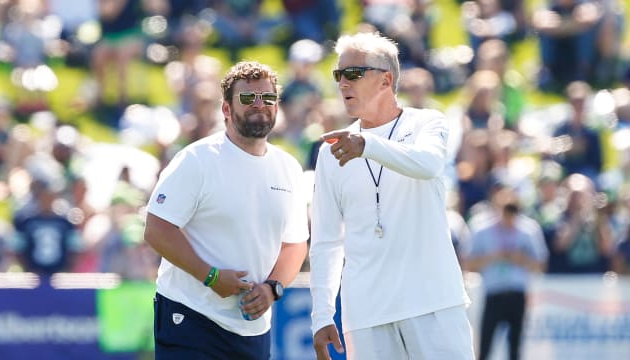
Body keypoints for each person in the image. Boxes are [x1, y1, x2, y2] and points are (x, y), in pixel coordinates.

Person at [310, 32, 474, 360]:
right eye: (338, 74)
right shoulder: (331, 149)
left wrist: (367, 145)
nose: (342, 83)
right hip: (366, 314)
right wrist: (322, 313)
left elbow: (428, 164)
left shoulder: (428, 122)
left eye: (353, 73)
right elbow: (327, 240)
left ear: (386, 80)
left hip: (433, 303)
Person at [143, 61, 309, 359]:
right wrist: (210, 277)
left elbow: (295, 244)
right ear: (227, 109)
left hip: (252, 327)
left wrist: (273, 288)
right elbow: (157, 229)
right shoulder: (198, 159)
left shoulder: (289, 167)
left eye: (268, 98)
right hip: (190, 315)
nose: (260, 105)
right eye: (248, 98)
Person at [462, 186, 548, 360]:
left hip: (517, 294)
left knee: (515, 348)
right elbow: (467, 263)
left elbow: (541, 265)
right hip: (493, 293)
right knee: (484, 347)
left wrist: (520, 259)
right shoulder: (482, 228)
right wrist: (493, 257)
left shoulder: (528, 229)